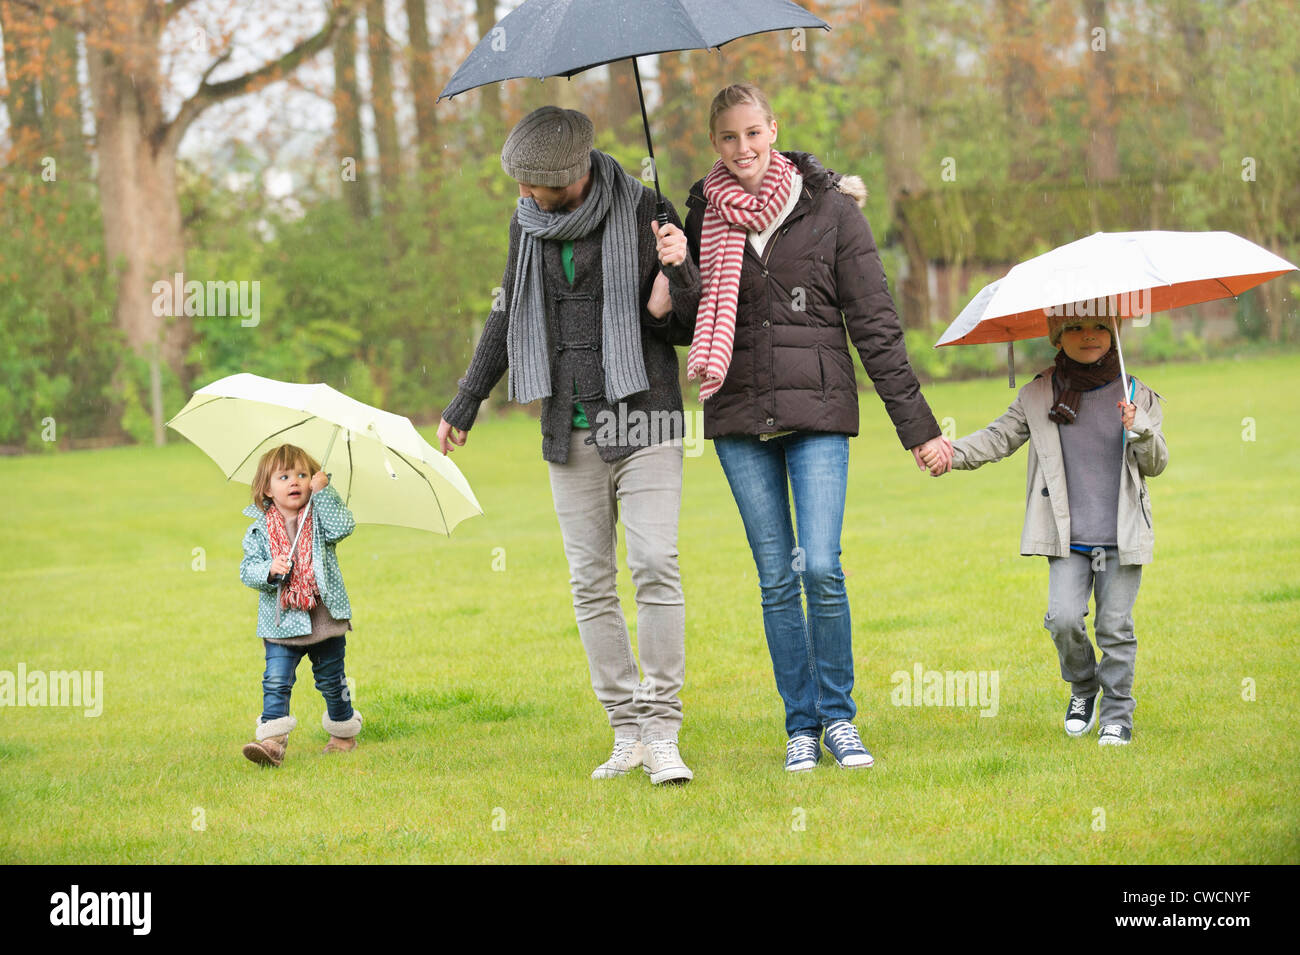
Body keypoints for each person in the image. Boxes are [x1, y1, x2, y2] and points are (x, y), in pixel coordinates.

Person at [681, 83, 950, 772]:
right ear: (716, 144)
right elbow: (682, 325)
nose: (742, 148)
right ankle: (799, 723)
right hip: (739, 418)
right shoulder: (700, 217)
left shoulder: (831, 210)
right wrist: (673, 266)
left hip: (819, 414)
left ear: (773, 129)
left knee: (821, 567)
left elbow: (876, 325)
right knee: (776, 578)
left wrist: (918, 428)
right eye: (728, 138)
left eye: (752, 132)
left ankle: (839, 717)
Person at [437, 107, 701, 784]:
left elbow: (686, 331)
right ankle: (627, 730)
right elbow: (505, 313)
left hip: (643, 417)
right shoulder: (526, 226)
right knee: (590, 583)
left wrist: (679, 269)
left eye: (533, 185)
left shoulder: (648, 210)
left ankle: (663, 726)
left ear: (572, 175)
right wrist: (466, 400)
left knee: (653, 562)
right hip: (569, 422)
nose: (523, 195)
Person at [926, 315, 1168, 746]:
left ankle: (1117, 714)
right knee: (1063, 620)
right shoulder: (1038, 394)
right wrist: (951, 453)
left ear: (1113, 331)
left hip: (1120, 535)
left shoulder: (1136, 394)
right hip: (1067, 537)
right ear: (1057, 336)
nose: (1088, 335)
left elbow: (1156, 463)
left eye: (1098, 325)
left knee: (1115, 628)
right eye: (1075, 328)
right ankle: (1084, 687)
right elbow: (998, 438)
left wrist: (1140, 428)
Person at [239, 443, 363, 766]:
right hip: (281, 623)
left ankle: (343, 733)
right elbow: (246, 569)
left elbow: (344, 526)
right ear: (267, 488)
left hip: (323, 619)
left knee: (332, 681)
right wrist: (268, 569)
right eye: (283, 476)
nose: (294, 482)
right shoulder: (260, 529)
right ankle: (272, 743)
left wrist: (325, 494)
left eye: (302, 475)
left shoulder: (320, 517)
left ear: (313, 480)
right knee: (276, 681)